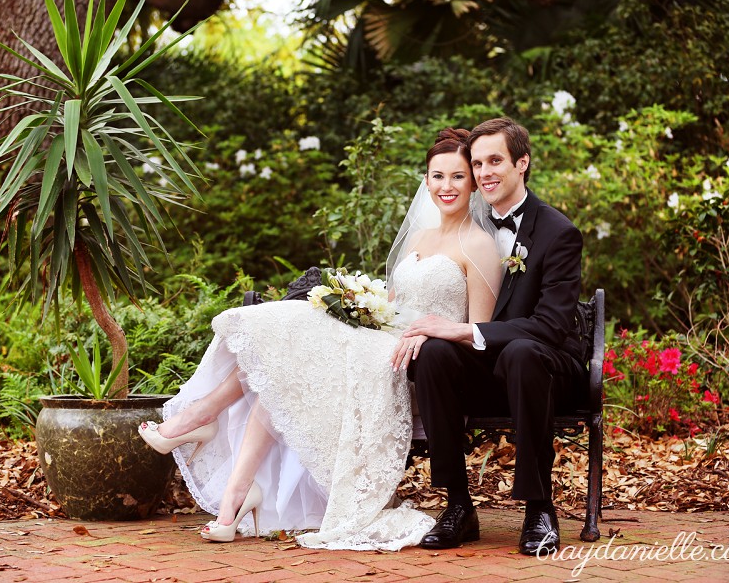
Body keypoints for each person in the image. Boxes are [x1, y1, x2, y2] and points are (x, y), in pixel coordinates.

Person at [137, 128, 503, 551]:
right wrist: (360, 304)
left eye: (458, 177)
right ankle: (231, 495)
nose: (447, 186)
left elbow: (479, 333)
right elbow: (394, 304)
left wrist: (430, 335)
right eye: (437, 176)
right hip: (381, 343)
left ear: (473, 183)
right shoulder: (419, 239)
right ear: (425, 181)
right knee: (285, 356)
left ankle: (197, 424)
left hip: (422, 362)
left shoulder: (479, 246)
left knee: (288, 348)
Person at [404, 117, 587, 555]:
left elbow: (551, 327)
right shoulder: (471, 222)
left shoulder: (558, 233)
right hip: (490, 370)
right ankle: (458, 506)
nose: (484, 172)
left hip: (546, 369)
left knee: (524, 352)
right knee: (433, 356)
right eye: (478, 163)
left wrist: (466, 330)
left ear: (521, 163)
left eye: (495, 161)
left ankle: (539, 508)